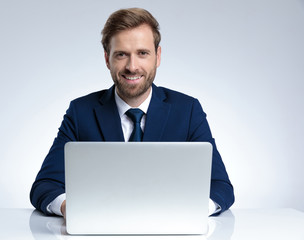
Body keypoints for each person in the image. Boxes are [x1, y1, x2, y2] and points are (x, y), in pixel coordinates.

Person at [30, 8, 234, 218]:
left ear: (158, 56)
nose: (132, 66)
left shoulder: (188, 111)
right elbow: (45, 185)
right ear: (107, 59)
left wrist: (190, 213)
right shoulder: (81, 112)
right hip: (101, 229)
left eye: (142, 53)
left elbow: (220, 186)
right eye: (121, 55)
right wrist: (71, 209)